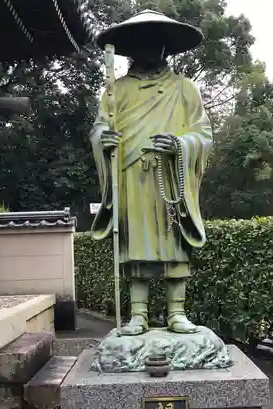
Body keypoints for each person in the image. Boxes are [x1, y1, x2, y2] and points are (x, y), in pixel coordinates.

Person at [90, 10, 212, 335]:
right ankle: (138, 315)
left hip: (171, 177)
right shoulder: (115, 91)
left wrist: (179, 145)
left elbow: (203, 134)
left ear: (165, 48)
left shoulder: (185, 89)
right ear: (131, 49)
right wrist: (104, 140)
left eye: (155, 43)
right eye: (141, 44)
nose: (148, 49)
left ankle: (177, 313)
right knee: (136, 245)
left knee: (173, 243)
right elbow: (100, 128)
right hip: (132, 175)